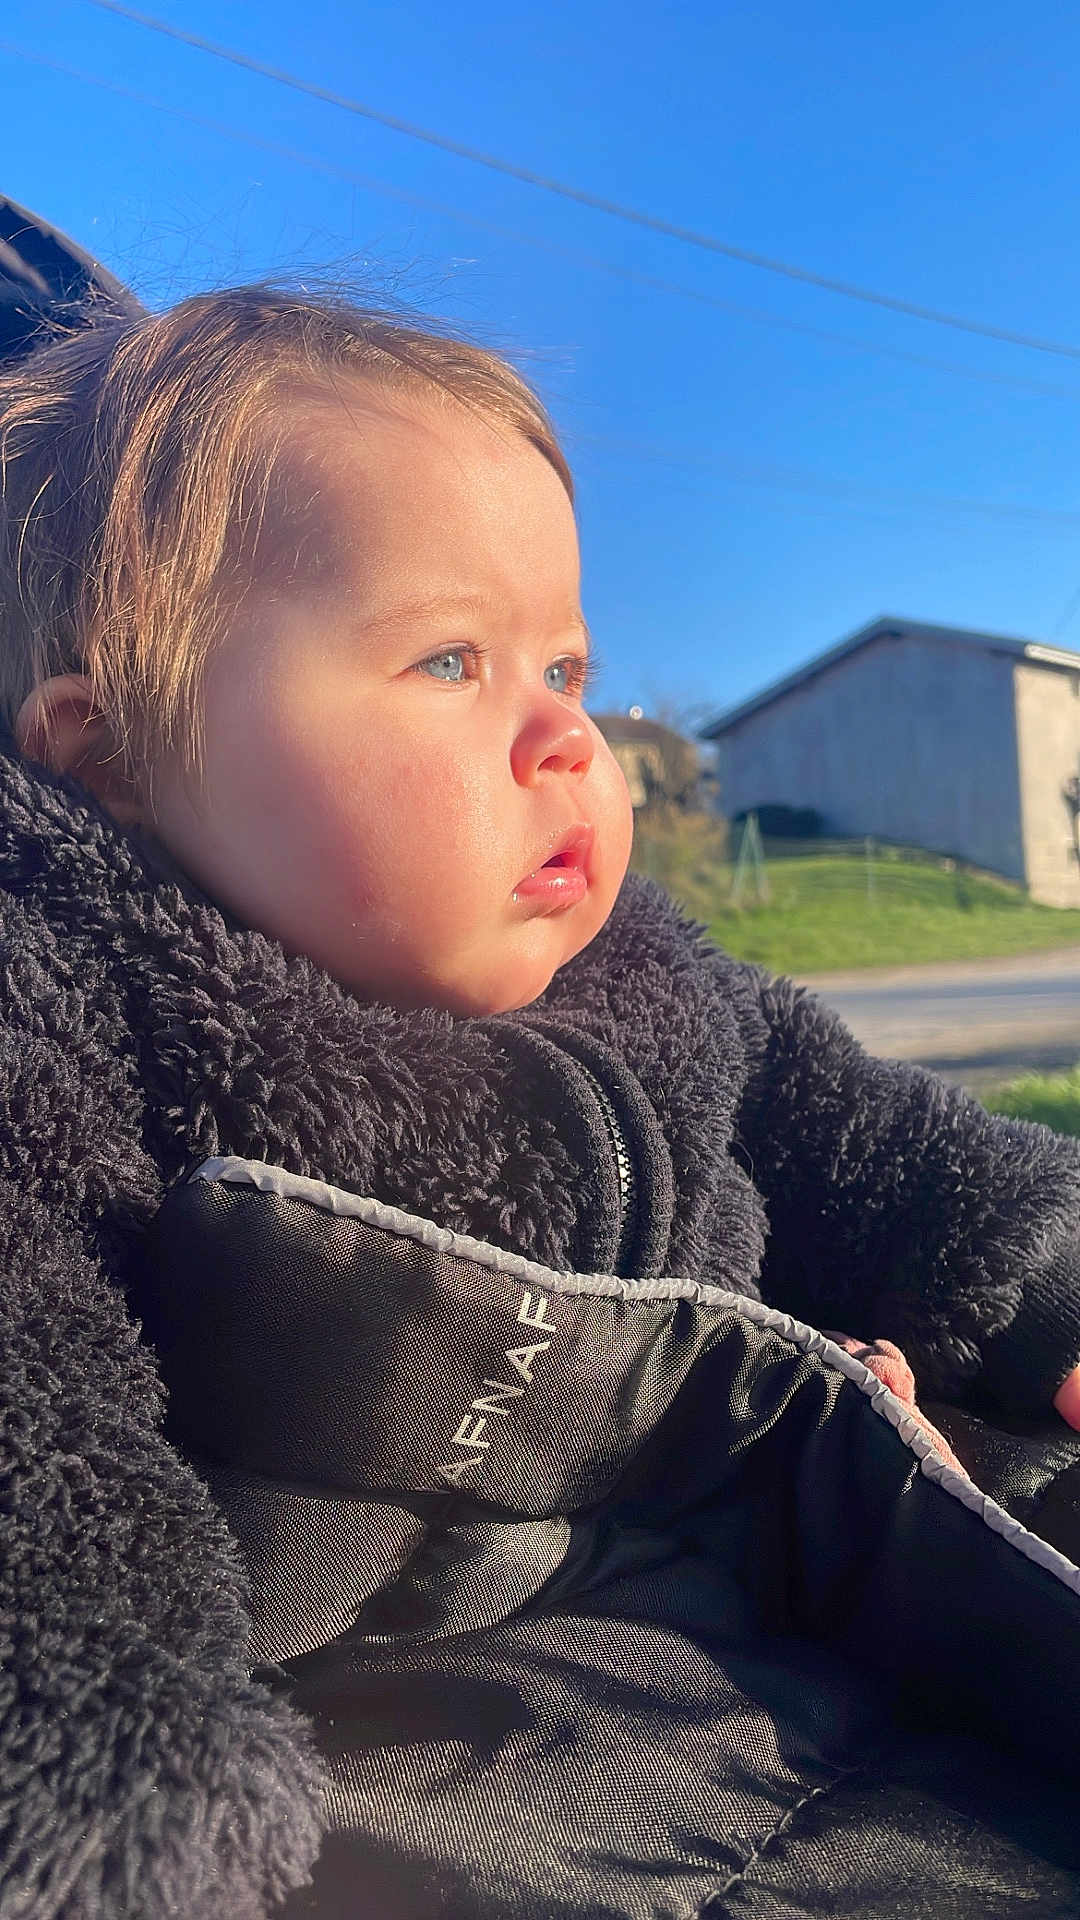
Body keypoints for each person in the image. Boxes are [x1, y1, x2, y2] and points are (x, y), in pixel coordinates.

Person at [3, 284, 1080, 1918]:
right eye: (451, 658)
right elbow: (38, 1435)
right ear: (117, 759)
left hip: (801, 1536)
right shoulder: (72, 1014)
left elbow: (903, 1160)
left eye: (564, 661)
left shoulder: (656, 985)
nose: (571, 733)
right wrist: (121, 1786)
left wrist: (1057, 1295)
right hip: (456, 1724)